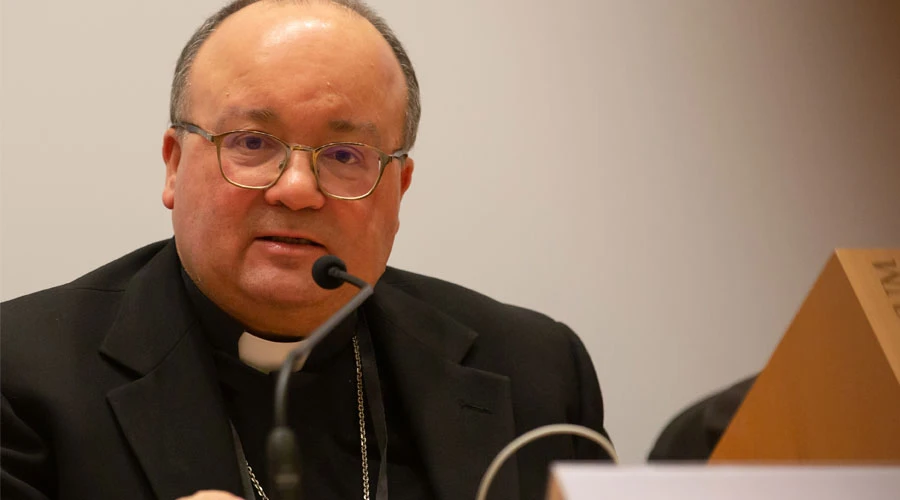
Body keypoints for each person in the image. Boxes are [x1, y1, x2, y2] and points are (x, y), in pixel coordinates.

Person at [0, 1, 610, 499]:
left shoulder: (535, 369)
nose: (296, 189)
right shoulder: (22, 375)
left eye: (345, 156)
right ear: (174, 165)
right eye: (251, 142)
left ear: (398, 188)